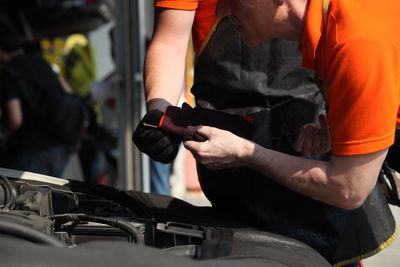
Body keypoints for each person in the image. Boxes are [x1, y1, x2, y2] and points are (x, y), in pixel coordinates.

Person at [132, 0, 375, 265]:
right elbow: (170, 42)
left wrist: (340, 120)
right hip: (226, 142)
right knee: (245, 254)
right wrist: (160, 111)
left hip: (310, 137)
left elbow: (347, 40)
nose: (224, 10)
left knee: (329, 253)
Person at [0, 20, 70, 177]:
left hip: (32, 149)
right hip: (60, 146)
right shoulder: (41, 63)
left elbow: (15, 119)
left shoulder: (9, 72)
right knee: (47, 198)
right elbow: (68, 91)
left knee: (18, 198)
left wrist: (4, 132)